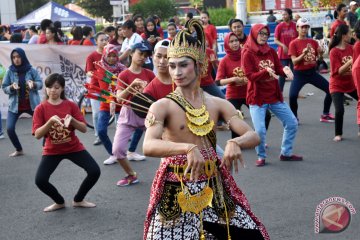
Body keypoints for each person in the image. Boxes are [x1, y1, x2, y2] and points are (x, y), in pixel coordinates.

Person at [143, 19, 268, 240]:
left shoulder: (216, 103)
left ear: (199, 66)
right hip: (176, 186)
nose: (176, 72)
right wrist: (188, 148)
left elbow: (253, 135)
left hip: (213, 183)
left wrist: (234, 142)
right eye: (172, 66)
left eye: (183, 65)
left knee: (251, 235)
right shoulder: (161, 106)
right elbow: (149, 145)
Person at [33, 73, 100, 212]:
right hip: (52, 150)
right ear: (45, 89)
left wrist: (73, 121)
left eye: (56, 87)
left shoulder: (70, 105)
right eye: (50, 87)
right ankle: (59, 202)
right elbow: (38, 135)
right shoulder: (41, 108)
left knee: (94, 171)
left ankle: (78, 200)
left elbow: (83, 129)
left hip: (73, 147)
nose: (53, 90)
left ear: (62, 89)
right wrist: (50, 122)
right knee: (40, 181)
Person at [242, 24, 303, 166]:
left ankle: (286, 153)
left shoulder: (271, 51)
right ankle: (261, 156)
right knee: (260, 131)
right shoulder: (247, 52)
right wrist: (266, 71)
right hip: (257, 98)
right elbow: (250, 76)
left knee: (292, 123)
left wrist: (285, 71)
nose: (264, 36)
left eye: (266, 34)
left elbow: (278, 68)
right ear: (254, 34)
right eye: (261, 33)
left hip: (274, 96)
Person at [112, 41, 155, 186]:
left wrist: (146, 89)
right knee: (117, 150)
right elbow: (119, 98)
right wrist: (131, 87)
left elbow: (156, 96)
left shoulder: (149, 74)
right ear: (131, 53)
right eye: (140, 53)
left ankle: (173, 173)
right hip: (128, 113)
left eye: (145, 55)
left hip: (147, 114)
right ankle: (131, 175)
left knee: (169, 142)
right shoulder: (124, 74)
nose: (142, 57)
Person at [288, 18, 335, 123]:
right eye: (302, 27)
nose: (304, 29)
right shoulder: (293, 43)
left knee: (330, 90)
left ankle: (325, 114)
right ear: (297, 28)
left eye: (306, 27)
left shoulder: (312, 42)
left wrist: (322, 53)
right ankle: (294, 118)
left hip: (312, 72)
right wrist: (303, 54)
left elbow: (320, 59)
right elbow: (294, 62)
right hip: (299, 74)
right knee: (292, 96)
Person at [2, 48, 43, 157]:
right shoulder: (10, 71)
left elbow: (40, 84)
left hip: (32, 105)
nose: (16, 59)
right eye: (14, 57)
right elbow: (4, 87)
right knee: (10, 129)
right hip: (15, 106)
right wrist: (11, 87)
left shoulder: (31, 70)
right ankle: (19, 149)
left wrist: (33, 84)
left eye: (18, 57)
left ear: (23, 57)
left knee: (45, 126)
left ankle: (47, 148)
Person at [329, 24, 358, 142]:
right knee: (340, 110)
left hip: (351, 84)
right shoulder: (334, 52)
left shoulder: (352, 48)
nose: (351, 35)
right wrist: (351, 61)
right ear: (343, 36)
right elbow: (339, 71)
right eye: (349, 33)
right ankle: (338, 133)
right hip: (337, 85)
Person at [85, 32, 109, 145]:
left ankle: (122, 133)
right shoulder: (91, 56)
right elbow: (89, 72)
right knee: (96, 113)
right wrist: (95, 74)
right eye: (102, 40)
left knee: (114, 112)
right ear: (96, 41)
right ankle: (98, 135)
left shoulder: (110, 55)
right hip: (95, 88)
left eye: (106, 39)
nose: (104, 42)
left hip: (108, 88)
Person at [274, 8, 298, 92]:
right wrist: (283, 45)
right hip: (283, 54)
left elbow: (299, 38)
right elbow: (275, 40)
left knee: (295, 73)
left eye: (285, 14)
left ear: (290, 15)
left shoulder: (295, 25)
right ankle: (279, 93)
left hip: (294, 54)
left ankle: (295, 92)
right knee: (283, 74)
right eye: (282, 15)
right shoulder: (279, 26)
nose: (283, 16)